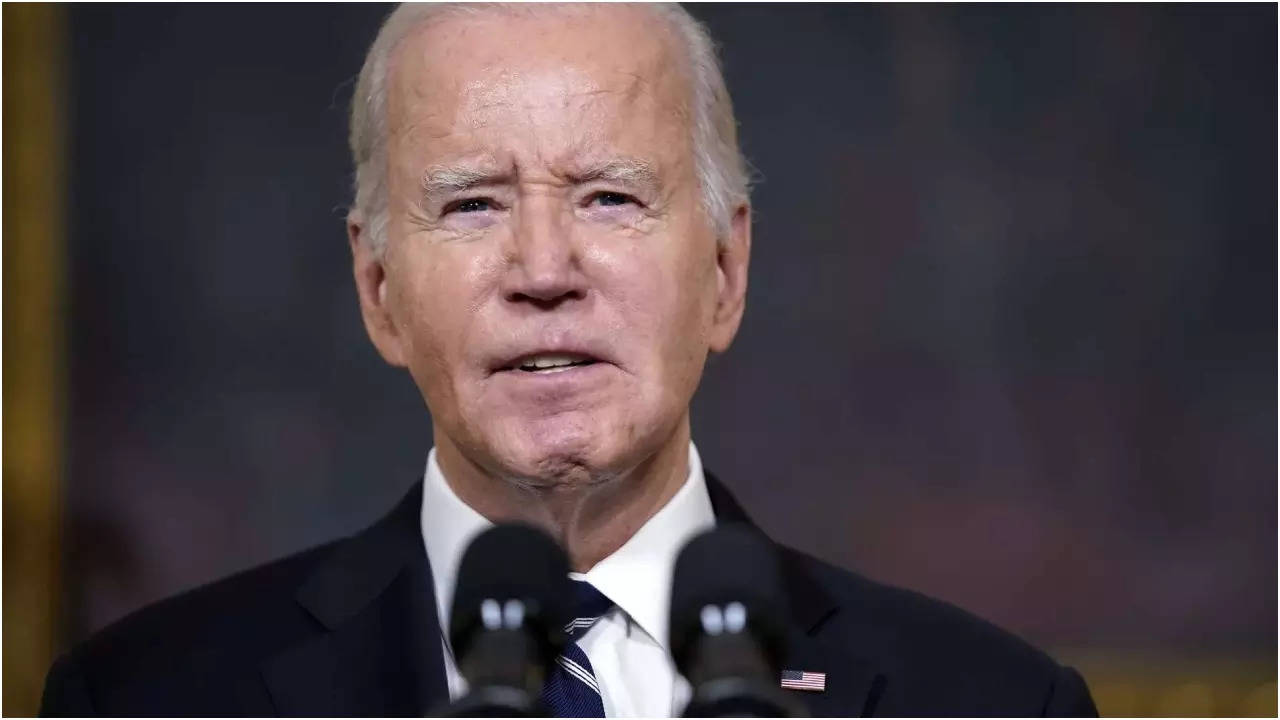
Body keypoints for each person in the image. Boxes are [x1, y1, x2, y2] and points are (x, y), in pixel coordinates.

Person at [40, 4, 1098, 717]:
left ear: (723, 271)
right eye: (470, 204)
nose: (542, 270)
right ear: (379, 293)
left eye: (609, 196)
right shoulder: (144, 696)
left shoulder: (988, 700)